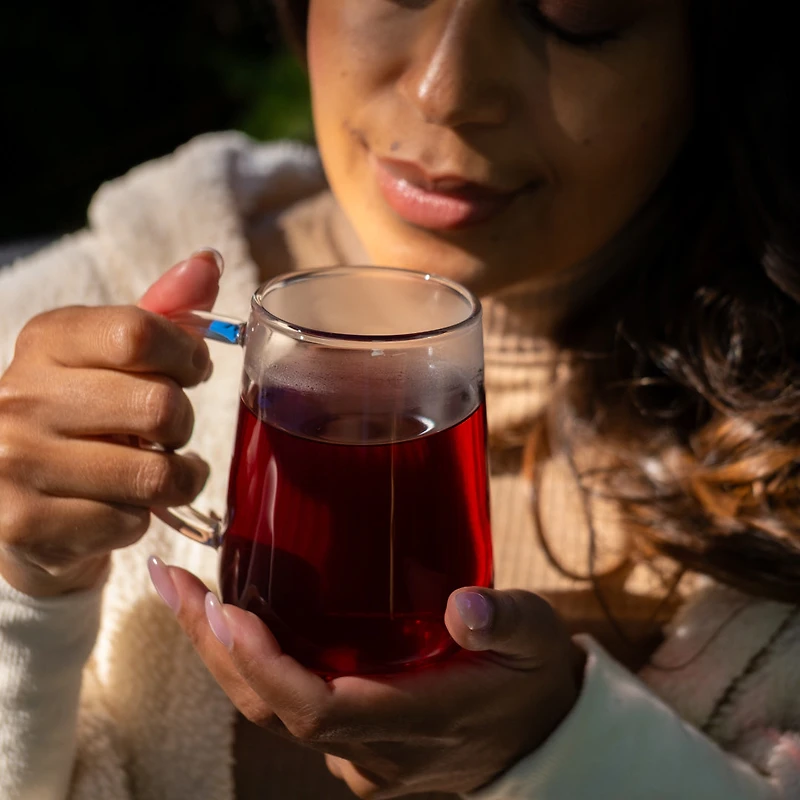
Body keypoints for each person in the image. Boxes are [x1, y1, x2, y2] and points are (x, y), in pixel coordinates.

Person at [1, 0, 799, 798]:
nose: (445, 89)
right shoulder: (42, 343)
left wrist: (569, 759)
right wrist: (22, 592)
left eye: (575, 13)